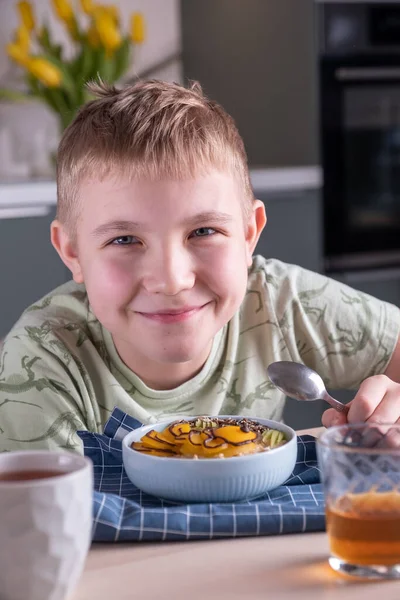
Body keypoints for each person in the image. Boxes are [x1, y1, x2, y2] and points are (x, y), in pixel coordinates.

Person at [1, 79, 400, 453]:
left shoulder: (282, 301)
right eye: (124, 240)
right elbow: (37, 520)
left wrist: (388, 409)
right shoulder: (40, 361)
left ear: (248, 235)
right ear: (72, 252)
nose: (172, 280)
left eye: (203, 231)